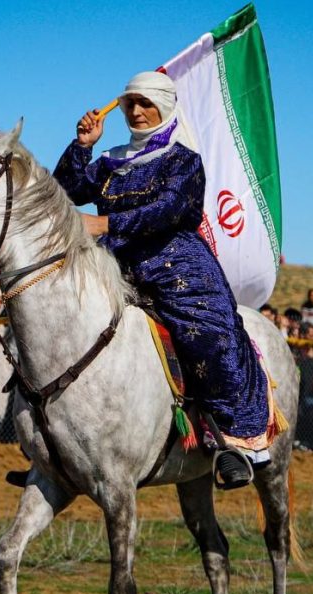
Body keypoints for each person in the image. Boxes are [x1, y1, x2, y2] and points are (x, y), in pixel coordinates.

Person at [53, 70, 273, 488]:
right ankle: (54, 449)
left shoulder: (183, 161)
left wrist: (104, 224)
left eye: (145, 103)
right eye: (130, 104)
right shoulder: (111, 159)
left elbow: (169, 211)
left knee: (206, 334)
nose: (136, 111)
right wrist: (83, 146)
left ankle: (233, 442)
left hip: (175, 267)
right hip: (114, 263)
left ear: (165, 107)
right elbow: (67, 189)